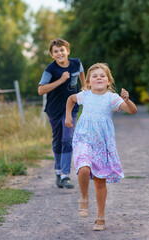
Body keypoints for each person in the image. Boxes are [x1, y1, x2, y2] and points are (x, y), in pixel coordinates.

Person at [65, 62, 137, 231]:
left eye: (102, 76)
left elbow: (132, 110)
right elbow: (70, 99)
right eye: (94, 76)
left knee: (99, 181)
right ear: (88, 82)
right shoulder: (85, 95)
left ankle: (100, 217)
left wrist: (127, 100)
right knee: (82, 167)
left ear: (108, 81)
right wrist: (68, 116)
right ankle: (83, 198)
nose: (99, 78)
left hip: (102, 144)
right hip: (83, 138)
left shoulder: (112, 99)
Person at [38, 38, 86, 189]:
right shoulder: (50, 69)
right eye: (56, 51)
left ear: (68, 51)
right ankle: (58, 171)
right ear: (52, 55)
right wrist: (61, 80)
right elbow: (41, 90)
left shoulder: (76, 63)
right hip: (54, 110)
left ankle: (65, 175)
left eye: (62, 50)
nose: (60, 53)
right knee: (58, 140)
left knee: (68, 138)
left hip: (71, 108)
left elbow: (82, 74)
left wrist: (84, 86)